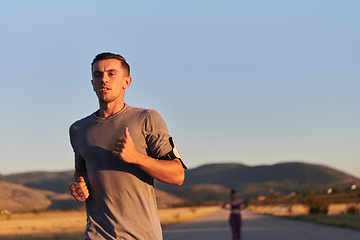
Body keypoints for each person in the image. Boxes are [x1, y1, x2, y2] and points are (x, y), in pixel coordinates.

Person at [69, 52, 186, 240]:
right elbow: (81, 171)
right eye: (98, 75)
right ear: (92, 83)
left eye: (111, 74)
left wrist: (136, 157)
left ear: (127, 81)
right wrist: (79, 187)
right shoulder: (78, 129)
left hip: (141, 235)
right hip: (96, 235)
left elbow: (178, 174)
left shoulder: (146, 118)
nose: (104, 80)